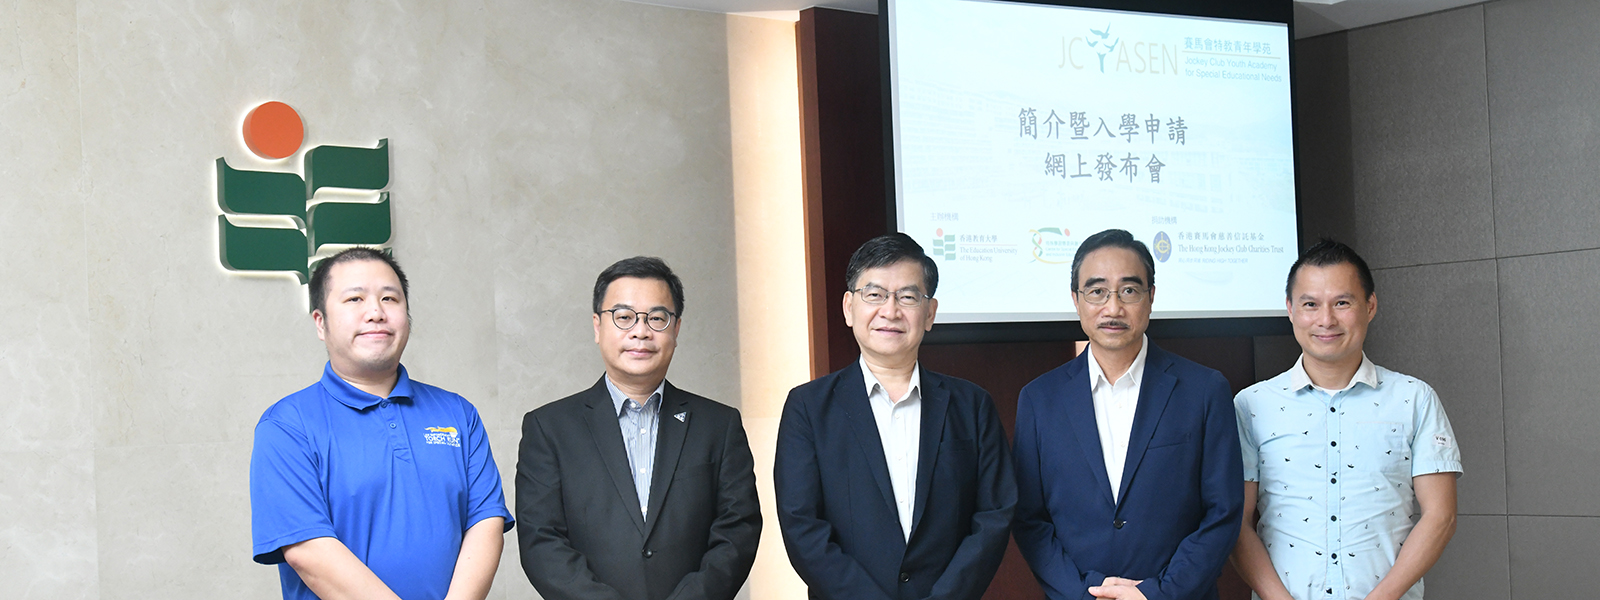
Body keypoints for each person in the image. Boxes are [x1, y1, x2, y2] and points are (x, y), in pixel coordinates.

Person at [250, 247, 513, 600]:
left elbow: (485, 522)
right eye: (354, 299)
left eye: (389, 298)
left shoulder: (458, 413)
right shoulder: (286, 425)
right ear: (320, 322)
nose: (375, 312)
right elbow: (308, 551)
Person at [775, 233, 1016, 600]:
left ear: (930, 313)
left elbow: (993, 516)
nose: (890, 311)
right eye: (874, 295)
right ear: (848, 307)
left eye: (907, 297)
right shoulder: (808, 408)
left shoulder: (972, 405)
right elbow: (801, 526)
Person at [1013, 228, 1244, 600]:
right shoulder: (1039, 399)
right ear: (1076, 300)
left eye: (1129, 290)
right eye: (1097, 291)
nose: (1113, 308)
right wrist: (1084, 593)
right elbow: (1029, 519)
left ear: (1151, 297)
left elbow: (1223, 512)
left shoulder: (1204, 390)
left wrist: (1158, 593)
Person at [516, 256, 760, 600]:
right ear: (598, 327)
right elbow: (541, 541)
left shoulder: (719, 425)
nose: (641, 331)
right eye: (624, 317)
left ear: (676, 329)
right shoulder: (549, 428)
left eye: (657, 318)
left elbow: (738, 531)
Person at [1230, 240, 1460, 600]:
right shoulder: (1251, 405)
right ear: (1290, 309)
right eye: (1310, 304)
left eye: (1342, 303)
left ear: (1370, 306)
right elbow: (1236, 524)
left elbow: (1440, 517)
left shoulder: (1414, 399)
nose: (1326, 320)